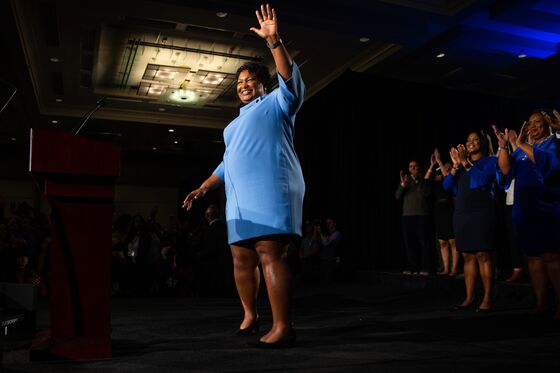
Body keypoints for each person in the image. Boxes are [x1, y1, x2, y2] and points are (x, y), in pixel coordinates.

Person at [182, 4, 304, 348]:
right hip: (238, 199)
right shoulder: (232, 125)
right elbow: (226, 162)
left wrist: (274, 41)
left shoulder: (279, 102)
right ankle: (250, 314)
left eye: (251, 81)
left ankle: (283, 326)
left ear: (264, 85)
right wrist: (204, 188)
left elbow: (289, 77)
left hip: (271, 189)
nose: (244, 85)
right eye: (240, 82)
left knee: (269, 253)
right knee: (241, 258)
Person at [493, 111, 560, 319]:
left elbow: (549, 165)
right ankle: (541, 302)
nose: (533, 126)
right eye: (530, 123)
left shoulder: (553, 145)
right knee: (532, 257)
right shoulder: (520, 150)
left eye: (538, 122)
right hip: (525, 210)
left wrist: (520, 143)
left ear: (548, 125)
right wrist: (504, 146)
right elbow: (505, 170)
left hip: (546, 210)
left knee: (550, 256)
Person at [443, 130, 498, 312]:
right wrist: (455, 165)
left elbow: (482, 180)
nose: (471, 142)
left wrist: (466, 163)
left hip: (481, 211)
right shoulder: (460, 165)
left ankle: (488, 298)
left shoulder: (490, 161)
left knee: (483, 254)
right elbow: (447, 186)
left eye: (475, 140)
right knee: (467, 255)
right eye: (468, 140)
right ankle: (469, 297)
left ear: (482, 142)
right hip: (462, 213)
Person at [425, 150, 459, 276]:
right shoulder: (438, 179)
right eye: (444, 167)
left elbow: (448, 180)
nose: (446, 168)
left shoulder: (451, 178)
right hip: (439, 211)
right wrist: (433, 164)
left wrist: (440, 162)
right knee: (442, 242)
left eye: (449, 167)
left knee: (452, 241)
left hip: (450, 209)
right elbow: (426, 180)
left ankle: (454, 268)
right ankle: (446, 268)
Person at [395, 160, 432, 276]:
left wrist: (418, 181)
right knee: (410, 243)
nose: (413, 168)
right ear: (409, 169)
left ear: (418, 167)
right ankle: (412, 267)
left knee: (423, 243)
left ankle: (425, 267)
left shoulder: (424, 179)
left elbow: (427, 194)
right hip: (407, 216)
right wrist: (402, 185)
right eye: (411, 167)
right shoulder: (406, 180)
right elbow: (397, 196)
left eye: (415, 166)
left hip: (422, 215)